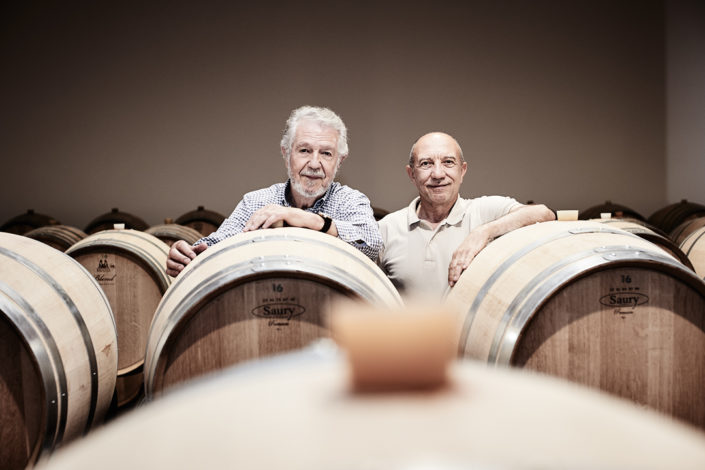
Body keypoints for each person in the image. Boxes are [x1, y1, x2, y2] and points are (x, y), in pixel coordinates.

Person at [166, 106, 382, 277]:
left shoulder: (350, 201)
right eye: (304, 150)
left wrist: (308, 220)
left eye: (326, 153)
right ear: (286, 153)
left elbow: (372, 245)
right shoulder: (257, 201)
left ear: (339, 161)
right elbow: (215, 245)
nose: (314, 163)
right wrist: (184, 254)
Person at [377, 131, 555, 298]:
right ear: (412, 174)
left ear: (462, 171)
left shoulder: (484, 211)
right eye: (426, 164)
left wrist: (483, 232)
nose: (438, 174)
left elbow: (544, 213)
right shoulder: (387, 228)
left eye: (448, 162)